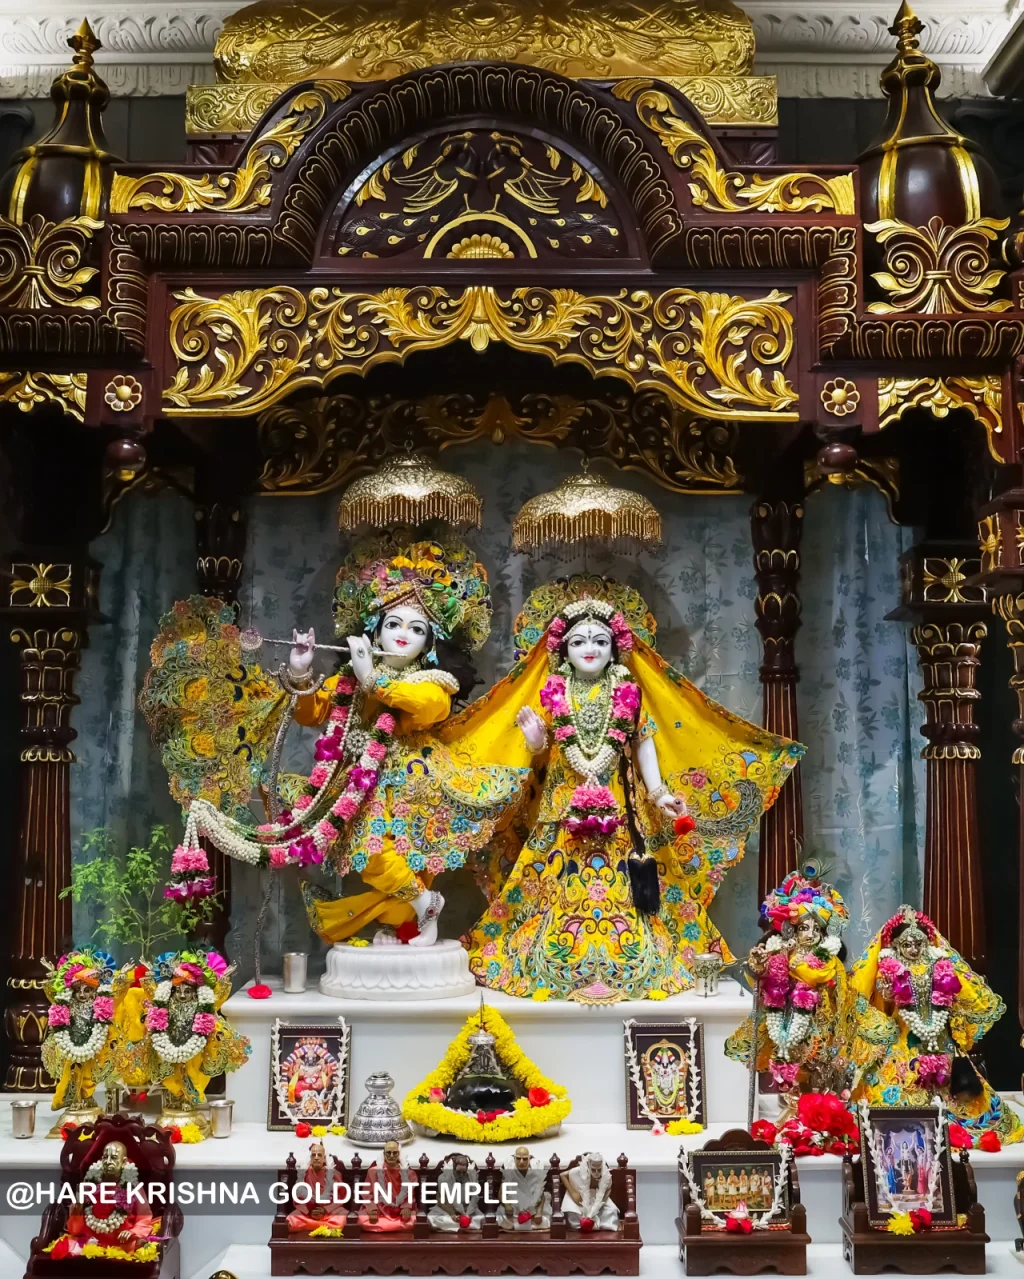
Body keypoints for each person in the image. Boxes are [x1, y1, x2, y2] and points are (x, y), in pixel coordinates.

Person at [452, 586, 803, 1003]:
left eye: (600, 641)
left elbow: (643, 742)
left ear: (615, 649)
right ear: (563, 650)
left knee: (628, 882)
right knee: (550, 884)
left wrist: (658, 793)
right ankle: (552, 958)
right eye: (579, 642)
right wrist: (534, 741)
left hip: (619, 807)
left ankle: (630, 958)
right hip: (564, 806)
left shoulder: (628, 693)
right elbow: (542, 749)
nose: (590, 649)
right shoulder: (553, 691)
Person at [848, 905, 1024, 1145]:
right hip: (904, 1037)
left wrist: (952, 1007)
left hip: (940, 1038)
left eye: (918, 943)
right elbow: (881, 997)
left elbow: (962, 995)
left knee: (954, 1090)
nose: (913, 949)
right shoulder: (889, 968)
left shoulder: (940, 964)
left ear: (927, 943)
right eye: (907, 944)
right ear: (896, 945)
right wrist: (889, 989)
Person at [725, 870, 849, 1095]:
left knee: (817, 1076)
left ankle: (812, 1107)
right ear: (792, 929)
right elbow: (760, 977)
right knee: (783, 1076)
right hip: (780, 1019)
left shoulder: (829, 958)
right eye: (804, 928)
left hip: (818, 1027)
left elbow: (831, 987)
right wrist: (758, 963)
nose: (810, 934)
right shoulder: (780, 951)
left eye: (816, 928)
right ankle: (791, 1105)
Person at [64, 1140, 154, 1257]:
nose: (108, 1162)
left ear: (124, 1162)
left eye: (114, 1158)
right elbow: (75, 1230)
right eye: (106, 1157)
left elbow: (144, 1219)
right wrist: (78, 1210)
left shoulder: (133, 1186)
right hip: (90, 1244)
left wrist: (133, 1232)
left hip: (122, 1246)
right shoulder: (90, 1184)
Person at [286, 1141, 348, 1233]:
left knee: (342, 1218)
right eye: (313, 1155)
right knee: (291, 1220)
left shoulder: (334, 1174)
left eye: (319, 1155)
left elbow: (340, 1198)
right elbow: (298, 1198)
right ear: (310, 1159)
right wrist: (309, 1210)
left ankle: (311, 1225)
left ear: (324, 1159)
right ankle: (323, 1226)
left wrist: (325, 1210)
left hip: (329, 1213)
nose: (316, 1158)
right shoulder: (304, 1174)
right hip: (308, 1213)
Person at [358, 1140, 416, 1232]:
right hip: (380, 1208)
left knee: (411, 1219)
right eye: (388, 1153)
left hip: (399, 1210)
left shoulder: (409, 1174)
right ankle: (396, 1227)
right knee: (363, 1219)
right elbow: (367, 1194)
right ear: (384, 1154)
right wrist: (372, 1209)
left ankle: (390, 1226)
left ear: (399, 1154)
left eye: (395, 1153)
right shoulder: (373, 1172)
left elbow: (409, 1194)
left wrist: (406, 1207)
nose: (391, 1156)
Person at [497, 1147, 552, 1232]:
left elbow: (541, 1194)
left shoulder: (536, 1168)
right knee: (503, 1219)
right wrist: (507, 1205)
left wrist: (539, 1211)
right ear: (514, 1159)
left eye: (525, 1159)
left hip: (533, 1206)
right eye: (518, 1158)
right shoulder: (509, 1168)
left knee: (543, 1221)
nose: (521, 1162)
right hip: (514, 1206)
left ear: (529, 1159)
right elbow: (502, 1192)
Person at [561, 1153, 619, 1232]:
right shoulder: (577, 1172)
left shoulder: (606, 1175)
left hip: (597, 1195)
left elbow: (608, 1189)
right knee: (573, 1213)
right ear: (588, 1166)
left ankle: (598, 1225)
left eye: (599, 1170)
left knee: (612, 1210)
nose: (596, 1172)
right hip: (578, 1193)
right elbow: (562, 1175)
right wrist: (572, 1191)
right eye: (593, 1170)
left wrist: (600, 1204)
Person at [427, 1154, 483, 1233]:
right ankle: (465, 1228)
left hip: (468, 1209)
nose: (461, 1175)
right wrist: (452, 1214)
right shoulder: (444, 1178)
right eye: (458, 1172)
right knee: (431, 1218)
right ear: (453, 1169)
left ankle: (454, 1228)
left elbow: (475, 1197)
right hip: (447, 1209)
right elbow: (446, 1199)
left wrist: (467, 1214)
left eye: (464, 1172)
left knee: (481, 1219)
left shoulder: (472, 1176)